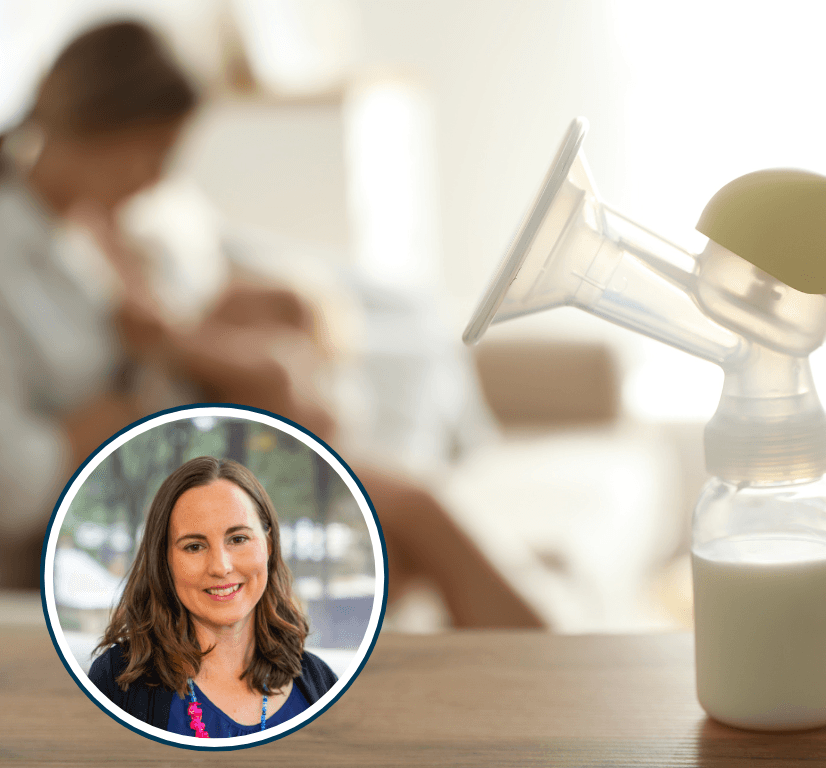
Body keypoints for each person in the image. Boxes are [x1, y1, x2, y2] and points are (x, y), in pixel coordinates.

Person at [0, 19, 542, 629]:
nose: (158, 178)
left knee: (404, 548)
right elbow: (10, 476)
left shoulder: (106, 231)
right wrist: (85, 433)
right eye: (153, 152)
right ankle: (569, 685)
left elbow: (190, 330)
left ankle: (528, 690)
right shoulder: (13, 256)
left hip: (194, 467)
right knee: (415, 512)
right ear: (98, 129)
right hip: (113, 509)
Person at [89, 456, 337, 737]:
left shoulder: (321, 683)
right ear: (165, 560)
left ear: (268, 545)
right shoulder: (116, 681)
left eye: (238, 539)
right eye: (194, 546)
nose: (221, 567)